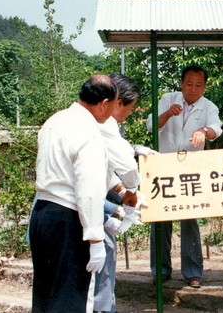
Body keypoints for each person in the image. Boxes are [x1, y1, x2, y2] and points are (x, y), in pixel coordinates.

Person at [29, 74, 118, 313]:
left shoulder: (55, 120)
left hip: (42, 214)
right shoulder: (88, 132)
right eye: (112, 106)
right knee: (69, 297)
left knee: (44, 294)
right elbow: (88, 191)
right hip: (68, 219)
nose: (111, 115)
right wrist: (96, 238)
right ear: (102, 104)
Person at [146, 65, 223, 288]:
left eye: (199, 85)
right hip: (164, 165)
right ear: (181, 84)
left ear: (204, 86)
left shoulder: (209, 106)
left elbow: (216, 128)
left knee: (190, 219)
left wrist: (203, 131)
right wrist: (168, 114)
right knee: (161, 218)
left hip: (191, 168)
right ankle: (160, 270)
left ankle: (192, 272)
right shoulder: (168, 99)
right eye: (189, 84)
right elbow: (152, 125)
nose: (193, 89)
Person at [94, 73, 151, 313]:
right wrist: (130, 193)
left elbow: (105, 168)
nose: (129, 113)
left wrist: (120, 192)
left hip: (83, 205)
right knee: (103, 250)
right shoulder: (104, 123)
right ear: (118, 102)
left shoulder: (85, 120)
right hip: (77, 208)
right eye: (131, 107)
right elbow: (125, 165)